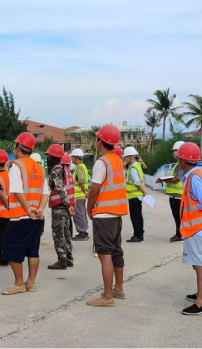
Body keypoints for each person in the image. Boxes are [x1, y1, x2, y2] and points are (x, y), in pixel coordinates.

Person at [2, 132, 49, 295]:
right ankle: (31, 282)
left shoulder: (17, 166)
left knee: (10, 247)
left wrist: (28, 208)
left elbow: (17, 190)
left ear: (18, 147)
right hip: (37, 217)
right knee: (32, 250)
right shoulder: (39, 168)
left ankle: (18, 283)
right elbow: (45, 193)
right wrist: (40, 208)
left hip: (20, 216)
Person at [86, 124, 128, 307]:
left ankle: (107, 296)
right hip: (116, 213)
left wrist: (89, 208)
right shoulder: (117, 161)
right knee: (116, 251)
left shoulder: (101, 163)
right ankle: (118, 288)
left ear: (100, 141)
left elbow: (94, 190)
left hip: (103, 214)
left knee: (105, 254)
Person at [176, 142, 202, 316]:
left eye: (179, 158)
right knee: (198, 262)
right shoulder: (194, 175)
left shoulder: (194, 178)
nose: (178, 161)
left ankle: (200, 302)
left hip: (197, 228)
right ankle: (200, 293)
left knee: (199, 264)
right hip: (196, 227)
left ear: (183, 160)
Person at [46, 144, 75, 270]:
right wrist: (71, 205)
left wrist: (68, 205)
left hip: (60, 206)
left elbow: (60, 189)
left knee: (58, 234)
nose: (47, 159)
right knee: (66, 233)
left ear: (52, 157)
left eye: (48, 156)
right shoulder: (66, 169)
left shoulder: (56, 170)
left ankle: (62, 260)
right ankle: (69, 258)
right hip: (66, 206)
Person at [157, 141, 186, 243]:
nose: (173, 153)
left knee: (179, 217)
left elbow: (176, 179)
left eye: (175, 151)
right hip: (174, 196)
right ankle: (179, 233)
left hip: (178, 196)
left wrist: (164, 180)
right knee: (177, 217)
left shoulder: (181, 165)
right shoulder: (178, 164)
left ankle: (181, 235)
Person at [123, 146, 146, 243]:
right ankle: (140, 233)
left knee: (135, 217)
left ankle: (137, 235)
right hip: (137, 196)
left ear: (131, 157)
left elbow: (137, 182)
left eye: (126, 157)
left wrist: (143, 191)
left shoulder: (132, 168)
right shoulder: (137, 165)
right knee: (138, 216)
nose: (125, 159)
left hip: (134, 196)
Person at [70, 148, 90, 241]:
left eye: (72, 157)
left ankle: (82, 232)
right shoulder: (83, 167)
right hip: (81, 195)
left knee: (78, 215)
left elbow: (81, 181)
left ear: (76, 158)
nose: (71, 159)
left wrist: (85, 192)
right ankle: (83, 231)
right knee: (82, 213)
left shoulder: (79, 168)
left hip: (78, 196)